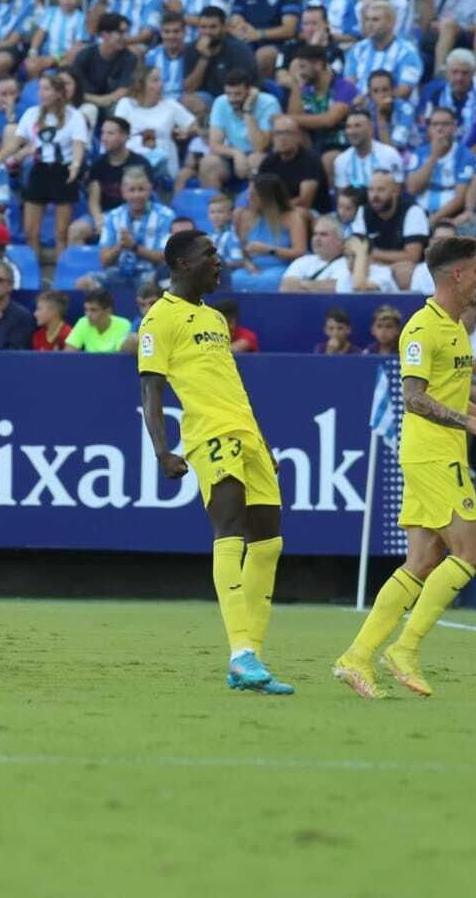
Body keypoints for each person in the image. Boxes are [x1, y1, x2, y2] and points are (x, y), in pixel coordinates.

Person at [334, 237, 476, 698]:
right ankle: (405, 649)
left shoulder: (455, 327)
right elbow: (414, 398)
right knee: (471, 552)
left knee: (422, 561)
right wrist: (472, 425)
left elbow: (449, 395)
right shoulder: (422, 328)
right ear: (456, 275)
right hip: (433, 455)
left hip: (439, 452)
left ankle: (356, 657)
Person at [136, 229, 293, 693]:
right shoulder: (159, 318)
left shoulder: (216, 319)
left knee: (268, 543)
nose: (219, 261)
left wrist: (262, 439)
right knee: (230, 531)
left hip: (248, 436)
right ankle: (241, 652)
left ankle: (252, 660)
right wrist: (162, 450)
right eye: (210, 255)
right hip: (209, 435)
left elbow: (231, 383)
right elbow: (150, 389)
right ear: (183, 263)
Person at [2, 72, 89, 249]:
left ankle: (61, 266)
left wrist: (75, 165)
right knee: (30, 231)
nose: (41, 93)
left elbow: (78, 145)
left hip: (63, 170)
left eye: (46, 89)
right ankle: (33, 265)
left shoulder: (75, 116)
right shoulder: (32, 113)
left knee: (61, 233)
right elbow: (15, 143)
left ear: (58, 92)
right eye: (39, 89)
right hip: (39, 169)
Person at [230, 173, 307, 291]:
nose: (249, 198)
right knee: (232, 279)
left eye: (254, 195)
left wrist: (269, 249)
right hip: (251, 268)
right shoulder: (244, 215)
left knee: (268, 281)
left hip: (280, 268)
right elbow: (243, 249)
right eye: (248, 194)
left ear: (267, 197)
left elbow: (300, 252)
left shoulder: (292, 218)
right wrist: (249, 265)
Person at [59, 287, 126, 352]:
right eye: (86, 310)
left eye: (93, 310)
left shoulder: (123, 325)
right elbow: (68, 354)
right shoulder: (83, 322)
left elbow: (123, 355)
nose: (88, 315)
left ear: (108, 311)